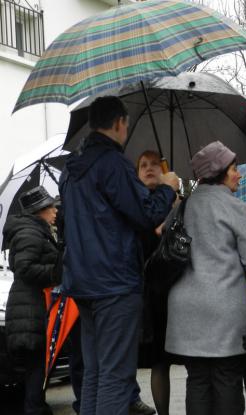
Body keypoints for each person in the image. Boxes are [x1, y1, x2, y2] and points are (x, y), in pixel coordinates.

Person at [59, 96, 179, 415]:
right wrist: (168, 187)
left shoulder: (71, 171)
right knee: (116, 377)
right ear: (119, 123)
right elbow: (146, 214)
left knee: (95, 374)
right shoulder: (112, 164)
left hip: (83, 283)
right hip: (114, 283)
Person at [165, 141, 246, 415]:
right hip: (225, 311)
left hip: (186, 311)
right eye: (234, 168)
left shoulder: (182, 208)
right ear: (221, 171)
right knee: (227, 378)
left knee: (197, 379)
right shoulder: (235, 208)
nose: (239, 174)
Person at [3, 185, 63, 415]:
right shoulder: (30, 232)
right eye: (50, 207)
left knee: (36, 372)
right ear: (40, 211)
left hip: (30, 309)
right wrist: (56, 273)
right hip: (30, 311)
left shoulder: (35, 231)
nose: (55, 211)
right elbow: (25, 268)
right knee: (36, 371)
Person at [136, 150, 176, 415]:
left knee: (171, 360)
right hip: (146, 294)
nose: (149, 168)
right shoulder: (134, 204)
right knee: (153, 361)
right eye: (143, 165)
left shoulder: (175, 202)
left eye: (154, 164)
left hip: (174, 291)